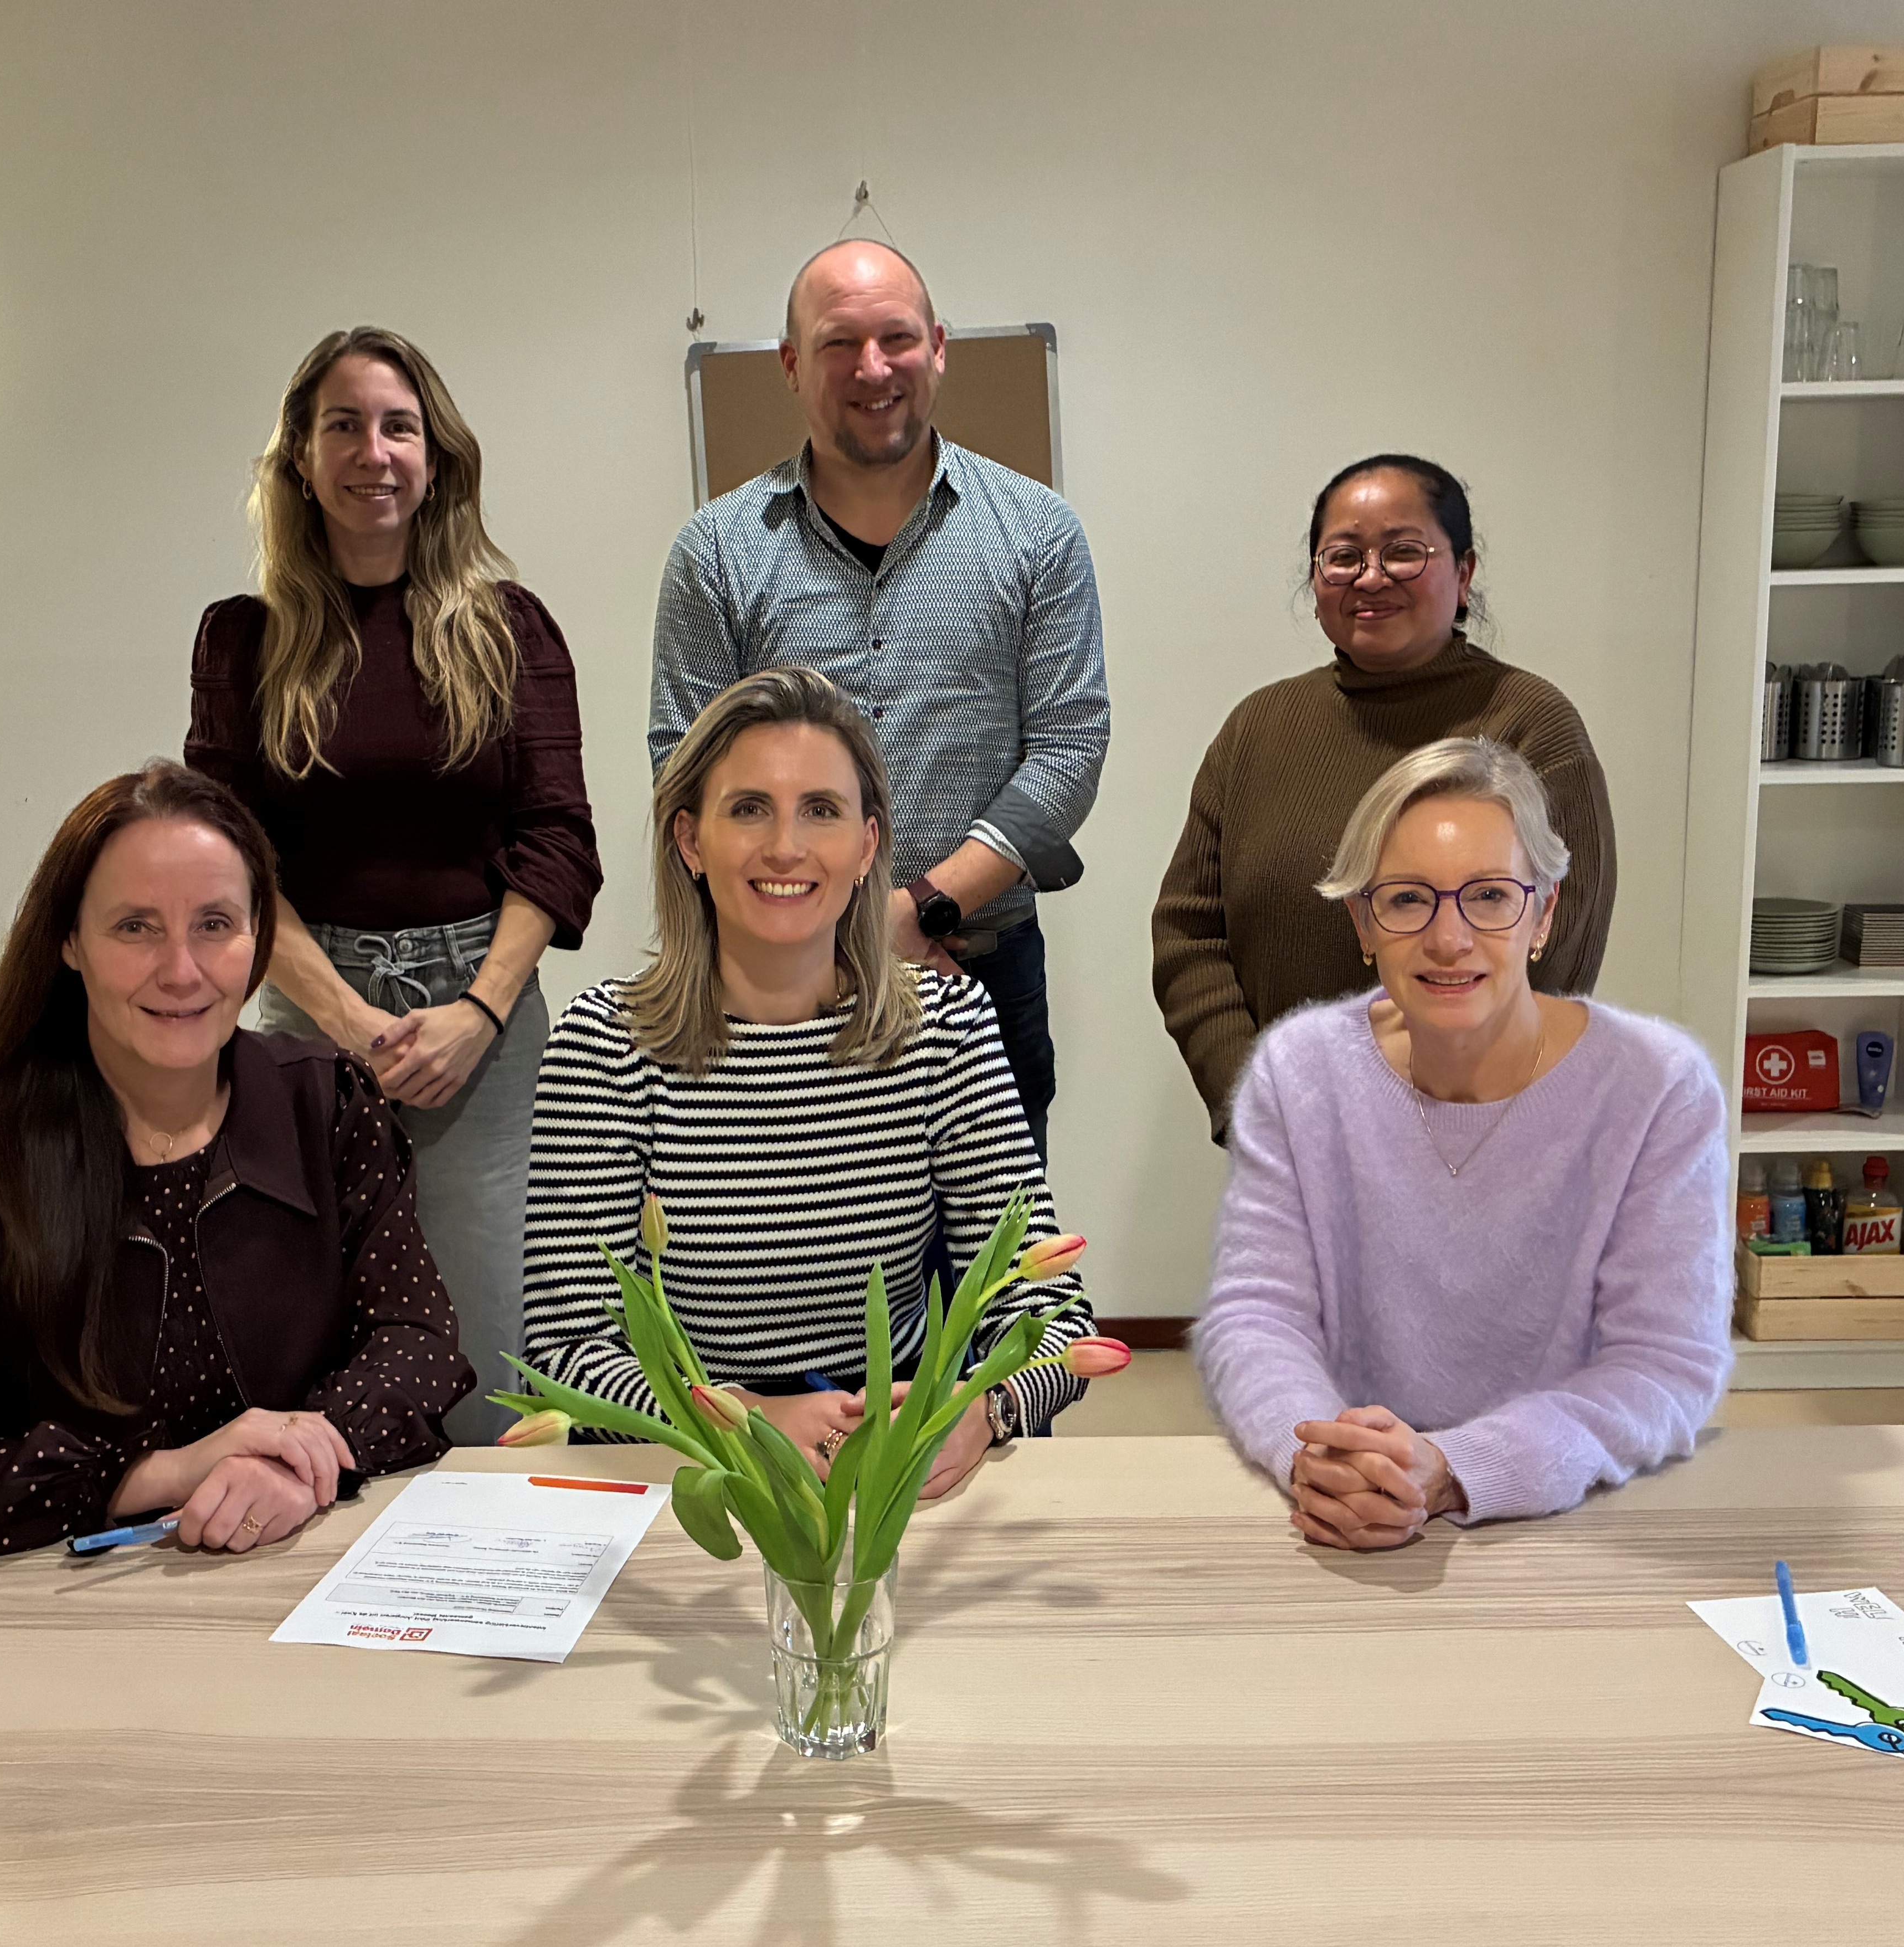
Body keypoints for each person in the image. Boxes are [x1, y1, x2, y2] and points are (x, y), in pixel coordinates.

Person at [0, 762, 472, 1565]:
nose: (182, 970)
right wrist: (158, 1474)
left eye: (216, 923)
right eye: (136, 927)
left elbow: (417, 1339)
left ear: (259, 940)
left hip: (302, 1571)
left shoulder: (329, 1107)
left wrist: (305, 1455)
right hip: (48, 1610)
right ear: (69, 942)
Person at [524, 667, 1095, 1498]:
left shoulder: (945, 1025)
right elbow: (567, 1348)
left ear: (866, 847)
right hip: (693, 1469)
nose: (785, 845)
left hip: (893, 1461)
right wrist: (744, 1417)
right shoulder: (606, 1043)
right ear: (690, 841)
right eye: (748, 807)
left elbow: (1047, 1313)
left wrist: (982, 1409)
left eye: (820, 810)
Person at [187, 326, 600, 1445]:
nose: (373, 450)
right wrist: (346, 1018)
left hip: (483, 1013)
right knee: (314, 1314)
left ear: (436, 455)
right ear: (302, 459)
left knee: (487, 1333)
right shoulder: (244, 641)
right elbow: (231, 860)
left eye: (398, 425)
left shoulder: (510, 629)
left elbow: (558, 839)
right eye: (343, 425)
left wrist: (477, 1010)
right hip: (308, 1013)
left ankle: (485, 1572)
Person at [1192, 738, 1730, 1546]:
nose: (1449, 939)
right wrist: (1319, 1454)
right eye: (1408, 900)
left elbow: (1663, 1365)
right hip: (1344, 1506)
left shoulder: (1657, 1086)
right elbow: (1254, 1313)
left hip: (1570, 1514)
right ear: (1363, 922)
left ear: (1545, 913)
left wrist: (1451, 1466)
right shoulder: (1299, 1068)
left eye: (1489, 896)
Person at [649, 241, 1109, 1160]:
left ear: (937, 348)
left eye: (896, 338)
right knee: (792, 1276)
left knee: (988, 1281)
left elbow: (1068, 746)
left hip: (978, 969)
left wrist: (918, 912)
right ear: (791, 364)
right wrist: (836, 928)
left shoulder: (1036, 533)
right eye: (837, 344)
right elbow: (681, 764)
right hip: (776, 990)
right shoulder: (717, 551)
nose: (871, 369)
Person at [1154, 454, 1617, 1141]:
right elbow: (1189, 933)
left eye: (1403, 552)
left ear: (1463, 576)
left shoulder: (1531, 724)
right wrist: (1255, 1102)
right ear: (1316, 581)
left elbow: (1556, 953)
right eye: (1342, 557)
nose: (1370, 577)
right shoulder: (1258, 727)